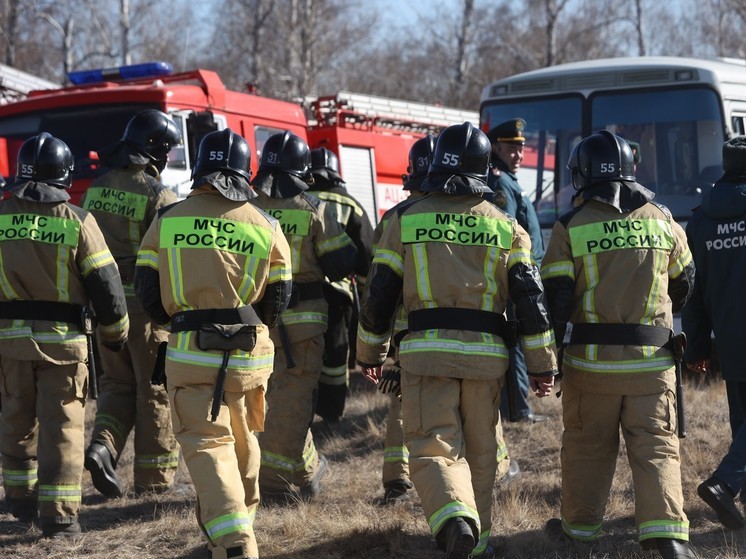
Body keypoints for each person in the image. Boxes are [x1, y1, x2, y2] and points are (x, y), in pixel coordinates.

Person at [357, 122, 558, 559]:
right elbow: (531, 304)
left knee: (433, 446)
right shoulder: (508, 227)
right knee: (483, 453)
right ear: (484, 169)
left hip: (426, 356)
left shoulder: (405, 219)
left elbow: (380, 294)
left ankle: (453, 520)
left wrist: (369, 352)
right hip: (487, 361)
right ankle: (477, 542)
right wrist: (542, 365)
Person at [135, 128, 292, 559]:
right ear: (246, 173)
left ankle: (235, 541)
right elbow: (279, 298)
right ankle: (233, 534)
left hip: (190, 352)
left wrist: (180, 320)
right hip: (248, 354)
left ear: (201, 169)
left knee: (208, 445)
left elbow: (147, 291)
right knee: (243, 442)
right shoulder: (266, 224)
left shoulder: (168, 219)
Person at [540, 131, 696, 559]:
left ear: (582, 175)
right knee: (657, 448)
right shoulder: (663, 219)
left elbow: (555, 300)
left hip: (592, 370)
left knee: (587, 450)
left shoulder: (570, 226)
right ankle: (667, 536)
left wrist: (547, 360)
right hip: (653, 364)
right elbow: (684, 285)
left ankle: (578, 532)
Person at [0, 133, 129, 537]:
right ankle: (58, 518)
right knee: (63, 428)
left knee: (15, 421)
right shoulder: (78, 221)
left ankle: (19, 501)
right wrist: (115, 335)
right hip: (63, 346)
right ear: (64, 177)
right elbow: (106, 286)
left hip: (8, 343)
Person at [251, 132, 357, 501]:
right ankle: (275, 485)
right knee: (293, 400)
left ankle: (309, 470)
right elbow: (341, 263)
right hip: (303, 324)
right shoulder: (311, 208)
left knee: (267, 398)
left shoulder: (245, 205)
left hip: (254, 321)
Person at [82, 109, 181, 498]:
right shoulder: (159, 195)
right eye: (168, 151)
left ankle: (103, 447)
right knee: (154, 389)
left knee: (117, 385)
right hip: (145, 310)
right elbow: (168, 256)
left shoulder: (98, 185)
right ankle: (154, 483)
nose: (168, 159)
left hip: (105, 308)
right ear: (155, 150)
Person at [683, 136, 746, 530]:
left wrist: (699, 345)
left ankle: (731, 498)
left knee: (742, 424)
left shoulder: (701, 219)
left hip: (729, 338)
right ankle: (724, 483)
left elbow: (693, 292)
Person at [485, 118, 547, 424]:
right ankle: (518, 410)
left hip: (522, 271)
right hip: (515, 274)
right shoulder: (499, 182)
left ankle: (516, 407)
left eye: (522, 148)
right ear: (496, 147)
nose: (519, 154)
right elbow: (506, 232)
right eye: (512, 148)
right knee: (517, 344)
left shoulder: (507, 179)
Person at [308, 147, 374, 422]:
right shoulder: (350, 205)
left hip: (291, 292)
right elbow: (368, 257)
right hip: (336, 295)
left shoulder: (295, 200)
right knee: (334, 356)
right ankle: (332, 412)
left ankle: (303, 407)